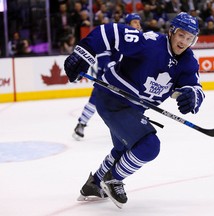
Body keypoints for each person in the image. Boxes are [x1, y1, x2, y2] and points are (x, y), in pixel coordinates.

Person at [64, 12, 205, 208]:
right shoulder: (149, 42)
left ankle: (94, 184)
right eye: (181, 35)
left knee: (125, 148)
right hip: (113, 99)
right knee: (149, 146)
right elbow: (109, 31)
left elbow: (195, 86)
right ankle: (112, 179)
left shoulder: (188, 61)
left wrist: (192, 96)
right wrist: (83, 52)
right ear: (171, 32)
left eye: (190, 38)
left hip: (134, 108)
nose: (184, 42)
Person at [72, 13, 142, 140]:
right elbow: (104, 58)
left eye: (139, 22)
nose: (138, 25)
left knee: (130, 103)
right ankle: (81, 124)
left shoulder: (140, 39)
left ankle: (129, 127)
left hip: (125, 79)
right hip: (106, 77)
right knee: (95, 100)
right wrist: (114, 68)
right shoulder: (117, 36)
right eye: (135, 22)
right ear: (127, 25)